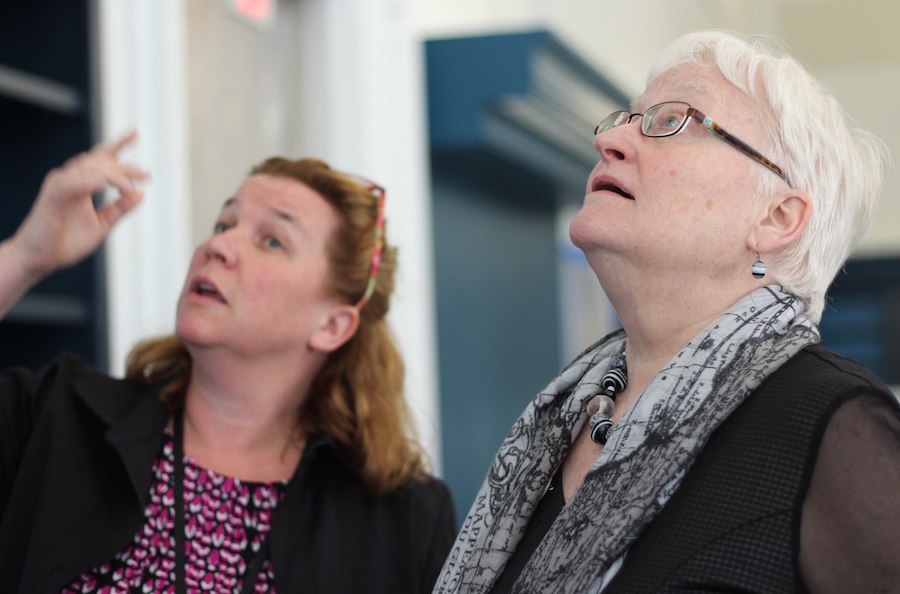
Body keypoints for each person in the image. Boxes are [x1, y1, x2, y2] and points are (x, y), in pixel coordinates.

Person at [433, 30, 900, 594]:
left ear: (776, 217)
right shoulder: (558, 418)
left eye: (672, 120)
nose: (615, 141)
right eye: (625, 119)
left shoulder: (833, 423)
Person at [0, 130, 456, 593]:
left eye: (272, 240)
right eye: (224, 224)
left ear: (332, 327)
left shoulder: (404, 521)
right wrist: (23, 257)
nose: (218, 246)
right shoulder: (58, 417)